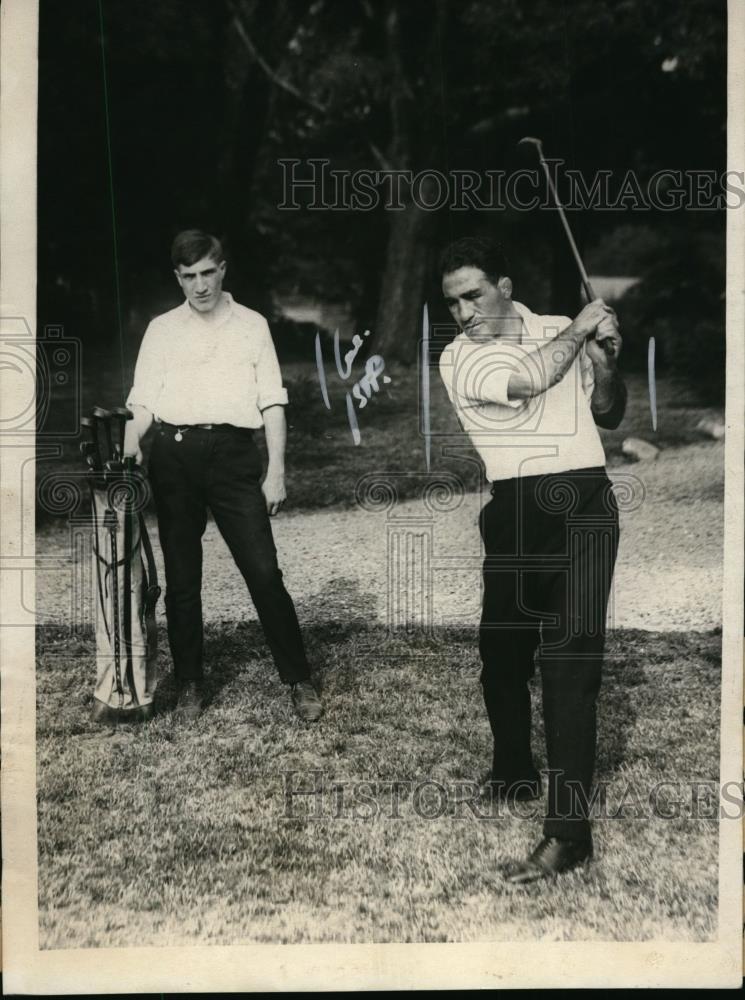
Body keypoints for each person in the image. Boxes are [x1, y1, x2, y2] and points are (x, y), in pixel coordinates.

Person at [438, 236, 625, 883]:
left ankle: (567, 833)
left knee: (569, 667)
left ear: (505, 285)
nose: (462, 312)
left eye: (473, 295)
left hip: (584, 506)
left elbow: (608, 411)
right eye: (452, 302)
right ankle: (513, 768)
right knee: (503, 659)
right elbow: (533, 376)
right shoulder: (458, 360)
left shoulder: (554, 328)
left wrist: (603, 361)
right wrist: (583, 326)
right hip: (515, 512)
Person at [123, 229, 322, 723]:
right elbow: (143, 399)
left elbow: (272, 400)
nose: (200, 285)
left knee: (263, 572)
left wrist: (276, 472)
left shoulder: (252, 325)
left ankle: (298, 679)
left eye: (208, 272)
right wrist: (130, 444)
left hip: (234, 457)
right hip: (173, 458)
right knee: (183, 581)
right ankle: (191, 683)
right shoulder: (162, 328)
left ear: (223, 269)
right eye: (188, 276)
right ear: (178, 278)